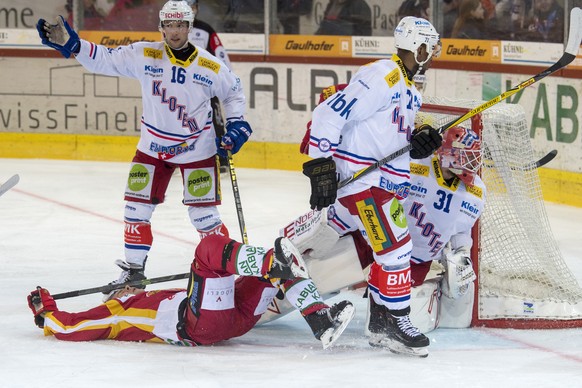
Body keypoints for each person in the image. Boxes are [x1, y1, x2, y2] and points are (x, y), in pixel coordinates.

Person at [37, 0, 253, 297]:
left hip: (197, 150)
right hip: (152, 147)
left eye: (180, 25)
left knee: (204, 217)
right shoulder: (144, 54)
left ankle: (223, 270)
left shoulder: (209, 65)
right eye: (169, 25)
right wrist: (74, 45)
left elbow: (234, 94)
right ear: (161, 26)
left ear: (190, 27)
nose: (174, 32)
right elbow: (104, 58)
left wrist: (237, 124)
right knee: (136, 209)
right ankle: (133, 272)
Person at [300, 16, 442, 357]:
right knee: (396, 249)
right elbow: (328, 115)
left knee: (385, 250)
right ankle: (396, 321)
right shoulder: (383, 75)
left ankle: (379, 321)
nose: (434, 53)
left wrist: (418, 141)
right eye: (431, 47)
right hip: (364, 184)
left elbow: (389, 135)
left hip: (383, 184)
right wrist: (321, 167)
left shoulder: (408, 87)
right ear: (420, 47)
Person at [27, 235, 355, 349]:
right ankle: (271, 263)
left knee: (275, 268)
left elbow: (211, 291)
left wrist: (238, 267)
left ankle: (319, 320)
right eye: (120, 290)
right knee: (207, 249)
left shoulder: (149, 297)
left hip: (231, 321)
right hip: (201, 328)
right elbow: (71, 326)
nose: (125, 288)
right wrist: (46, 310)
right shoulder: (116, 313)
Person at [185, 0, 233, 174]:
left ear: (197, 8)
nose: (190, 10)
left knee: (215, 119)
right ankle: (179, 155)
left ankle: (222, 158)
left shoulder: (205, 30)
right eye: (186, 6)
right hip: (180, 87)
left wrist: (228, 79)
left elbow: (220, 56)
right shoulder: (170, 28)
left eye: (192, 6)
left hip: (205, 87)